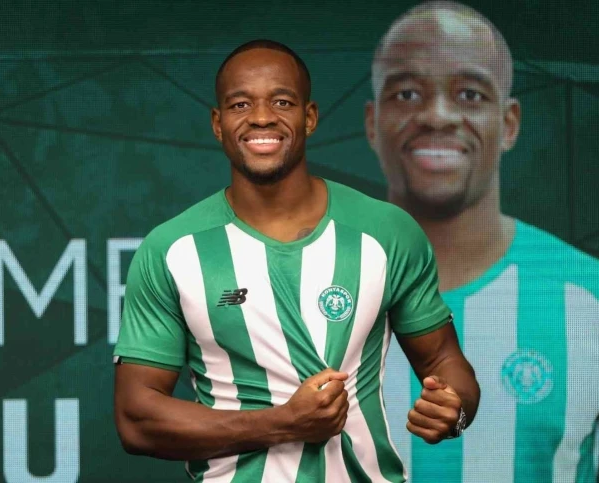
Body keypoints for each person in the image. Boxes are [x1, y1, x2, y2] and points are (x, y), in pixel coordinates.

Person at [112, 39, 480, 482]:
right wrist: (284, 423)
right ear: (218, 123)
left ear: (309, 117)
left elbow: (443, 361)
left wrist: (455, 410)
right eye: (240, 104)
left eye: (281, 101)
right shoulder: (173, 249)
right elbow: (136, 420)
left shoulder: (386, 232)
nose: (261, 117)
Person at [365, 2, 599, 482]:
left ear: (510, 124)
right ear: (373, 122)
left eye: (470, 94)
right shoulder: (283, 291)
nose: (437, 115)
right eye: (407, 93)